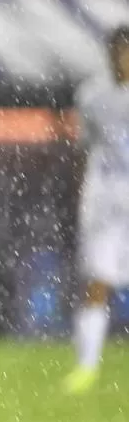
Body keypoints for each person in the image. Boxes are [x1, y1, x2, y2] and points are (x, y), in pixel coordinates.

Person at [64, 26, 129, 394]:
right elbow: (83, 149)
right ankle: (86, 366)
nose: (120, 59)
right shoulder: (92, 95)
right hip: (106, 200)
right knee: (97, 281)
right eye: (115, 51)